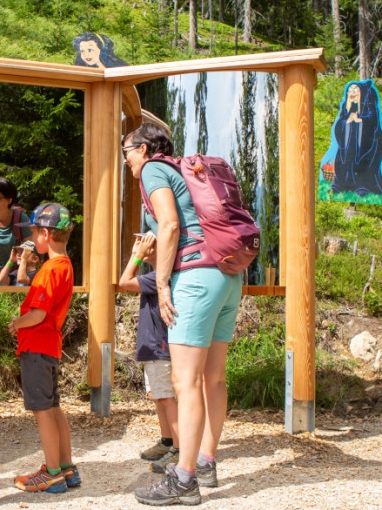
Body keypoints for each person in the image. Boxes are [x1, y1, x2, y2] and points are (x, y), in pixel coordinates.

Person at [123, 123, 243, 506]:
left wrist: (161, 285)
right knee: (213, 378)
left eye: (126, 151)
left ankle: (184, 479)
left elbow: (171, 224)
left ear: (142, 148)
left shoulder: (154, 169)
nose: (126, 160)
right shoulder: (182, 170)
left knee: (185, 381)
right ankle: (206, 461)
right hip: (227, 276)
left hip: (194, 277)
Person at [7, 203, 81, 494]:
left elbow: (37, 314)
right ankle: (66, 467)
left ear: (47, 233)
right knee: (53, 408)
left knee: (42, 411)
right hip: (49, 346)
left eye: (35, 232)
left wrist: (17, 322)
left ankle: (51, 474)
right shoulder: (66, 266)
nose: (33, 237)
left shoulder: (50, 269)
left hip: (37, 346)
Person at [117, 232, 180, 473]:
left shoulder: (161, 277)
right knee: (158, 395)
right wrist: (139, 254)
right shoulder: (155, 276)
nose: (140, 244)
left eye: (146, 242)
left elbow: (124, 282)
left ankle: (179, 447)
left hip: (160, 346)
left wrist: (136, 257)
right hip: (152, 346)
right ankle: (167, 442)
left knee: (166, 397)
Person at [329, 79, 382, 197]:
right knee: (343, 156)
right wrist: (347, 121)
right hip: (348, 144)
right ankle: (342, 182)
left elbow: (373, 121)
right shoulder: (345, 106)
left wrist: (360, 121)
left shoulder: (368, 101)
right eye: (350, 90)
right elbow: (340, 123)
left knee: (363, 159)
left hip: (366, 144)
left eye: (355, 90)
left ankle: (362, 185)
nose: (352, 92)